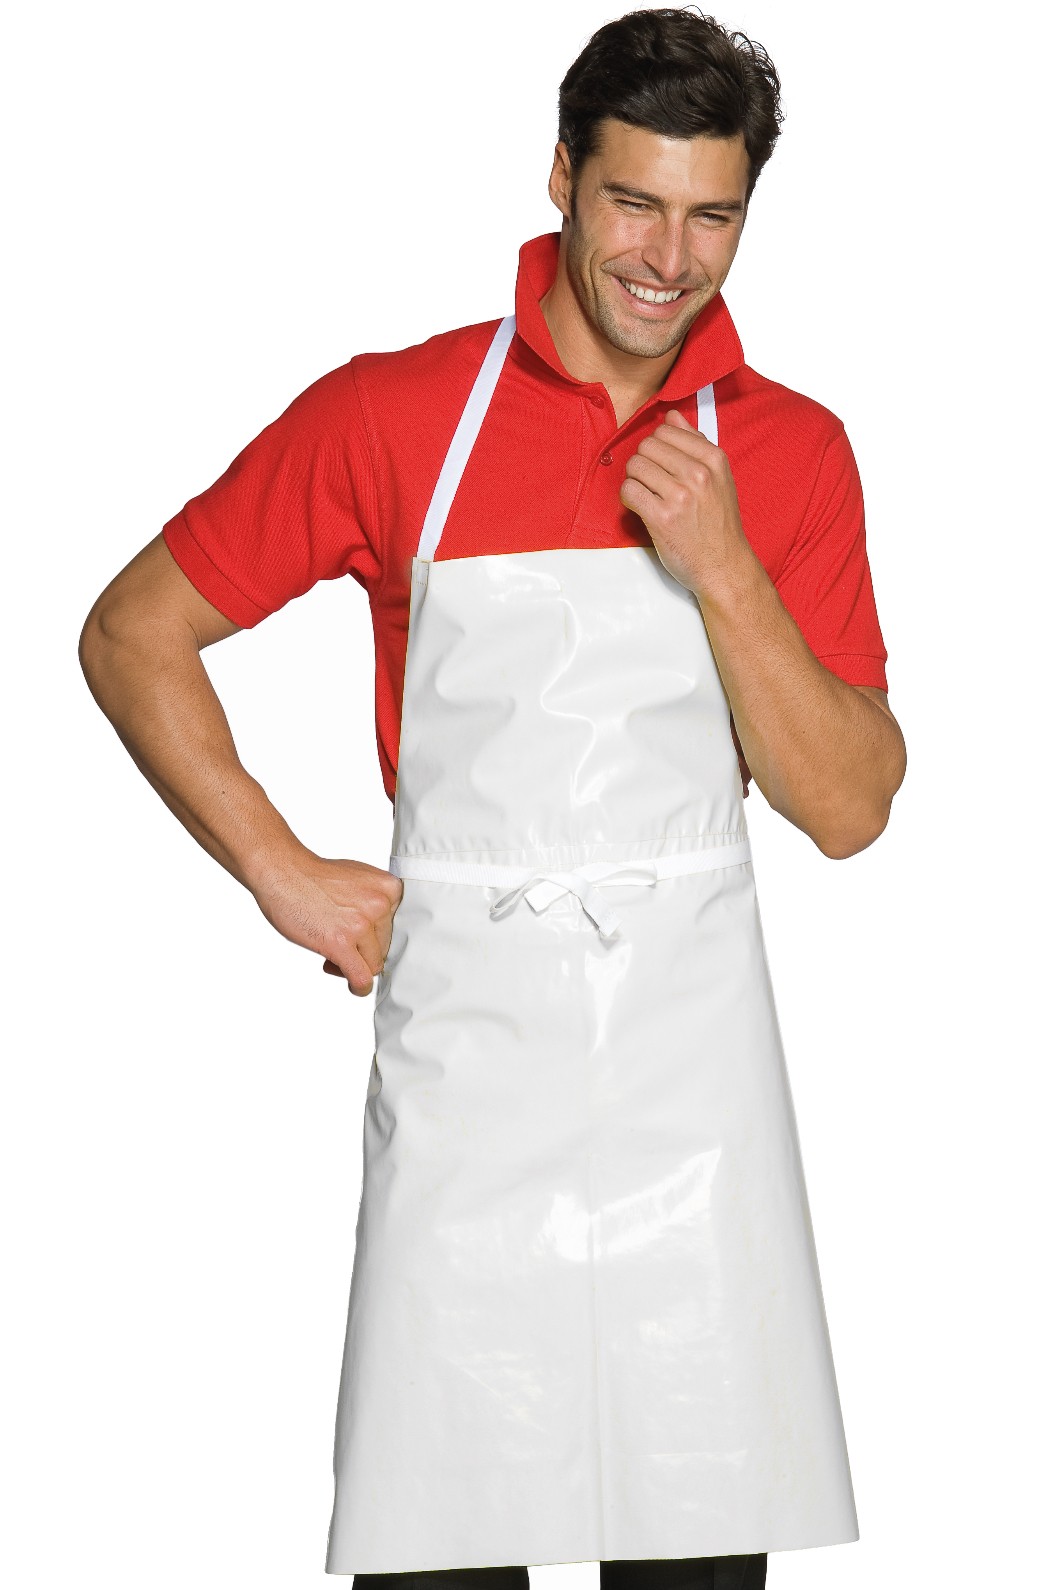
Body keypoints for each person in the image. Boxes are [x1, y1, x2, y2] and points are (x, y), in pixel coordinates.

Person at [79, 8, 907, 1589]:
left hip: (694, 1103)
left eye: (713, 215)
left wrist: (726, 568)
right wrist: (279, 868)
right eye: (633, 201)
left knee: (695, 1561)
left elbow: (853, 804)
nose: (669, 257)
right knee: (440, 1551)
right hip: (472, 1082)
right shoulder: (394, 414)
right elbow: (133, 632)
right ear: (561, 178)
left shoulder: (793, 452)